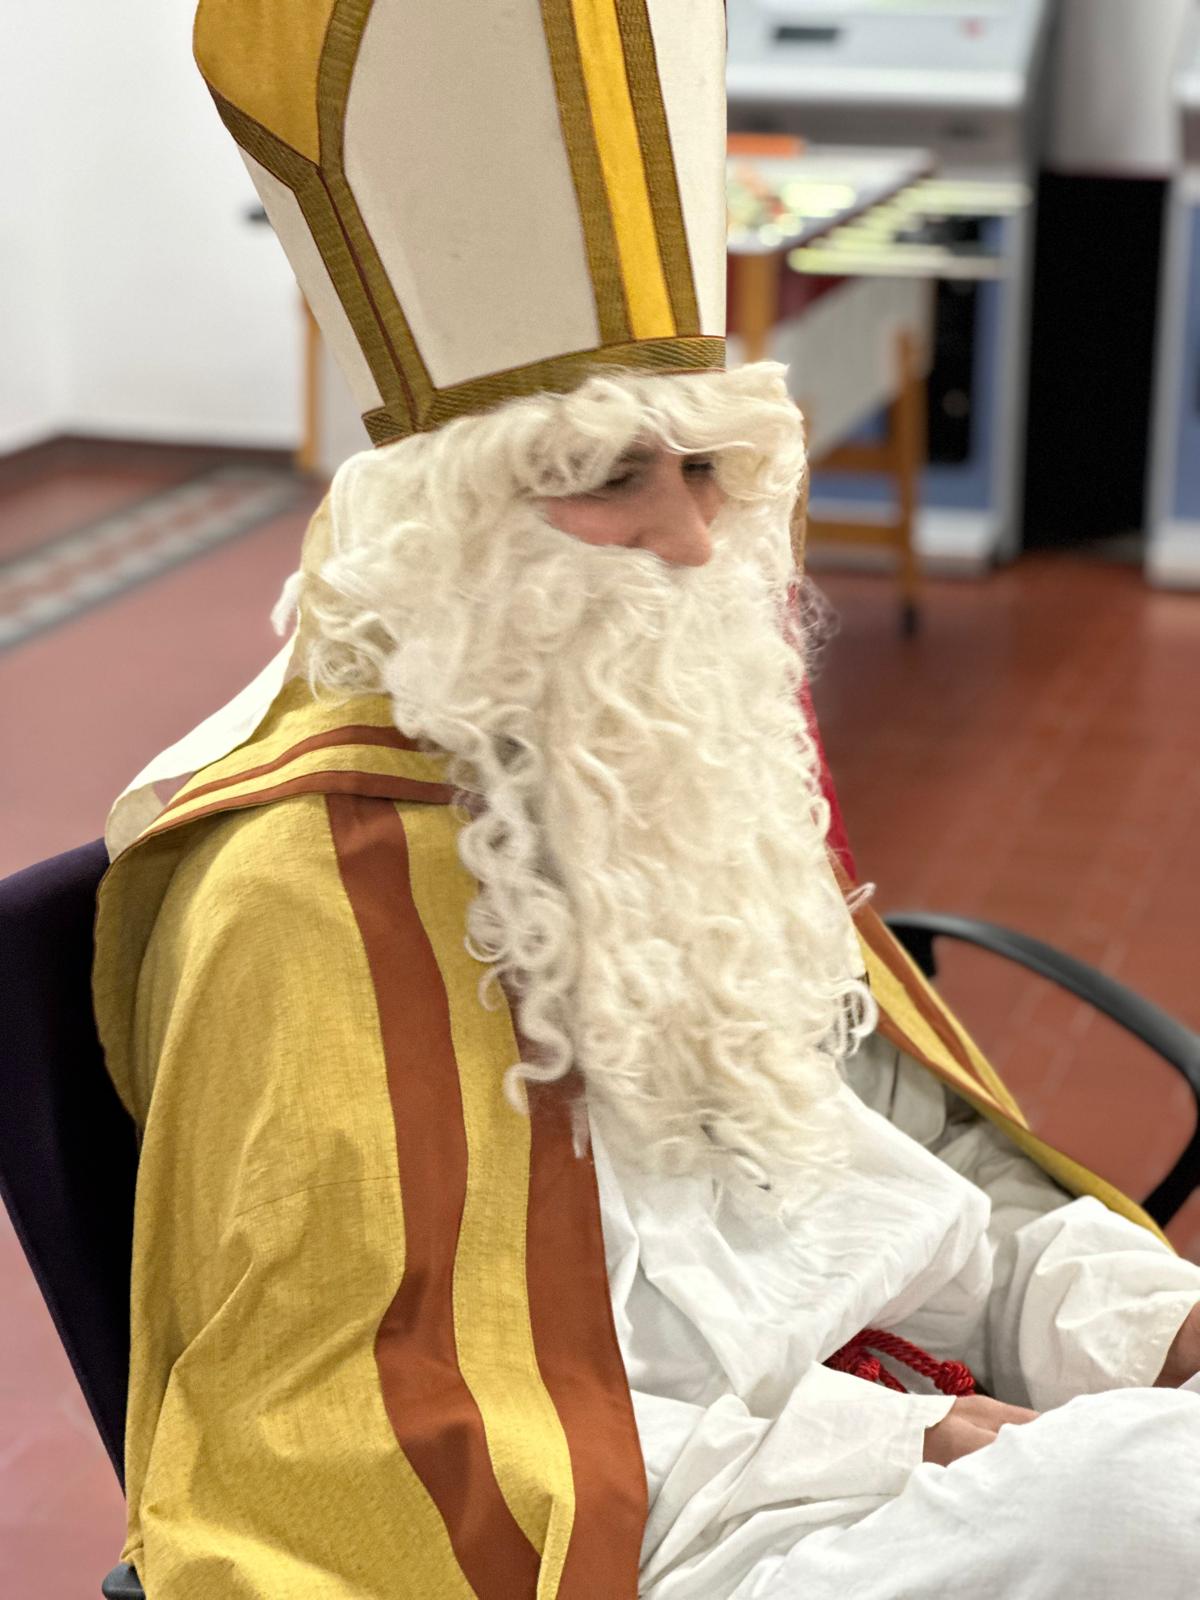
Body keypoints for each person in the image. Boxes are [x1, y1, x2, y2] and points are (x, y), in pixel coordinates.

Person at [93, 3, 1200, 1595]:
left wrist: (1144, 1322)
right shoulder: (307, 888)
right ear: (443, 527)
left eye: (706, 472)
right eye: (611, 477)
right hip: (666, 1531)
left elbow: (905, 1173)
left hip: (912, 1433)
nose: (689, 542)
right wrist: (909, 1446)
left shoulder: (670, 785)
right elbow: (357, 1425)